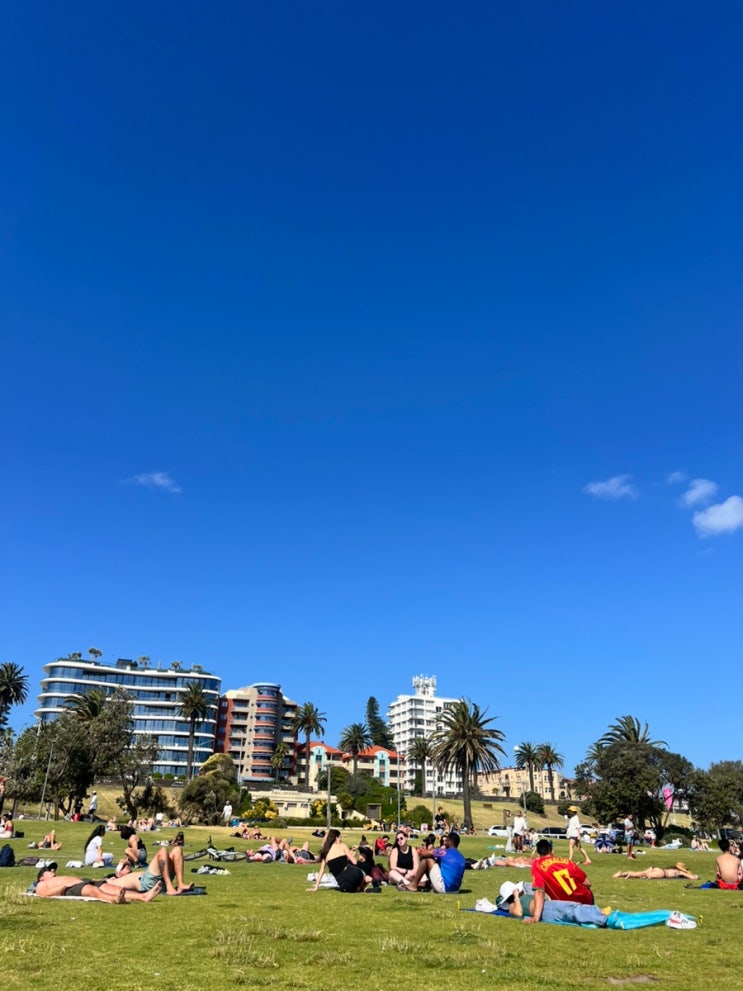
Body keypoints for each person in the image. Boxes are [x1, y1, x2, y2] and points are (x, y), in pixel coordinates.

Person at [496, 879, 696, 929]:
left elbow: (542, 894)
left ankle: (604, 917)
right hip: (550, 910)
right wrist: (516, 897)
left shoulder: (525, 896)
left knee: (575, 911)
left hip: (551, 909)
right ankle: (607, 918)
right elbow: (519, 912)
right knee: (575, 911)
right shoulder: (515, 903)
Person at [34, 863, 161, 903]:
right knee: (92, 890)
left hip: (82, 882)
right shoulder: (41, 884)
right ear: (41, 878)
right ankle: (114, 899)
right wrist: (64, 886)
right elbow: (45, 894)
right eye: (48, 870)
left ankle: (143, 896)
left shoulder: (54, 877)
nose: (52, 871)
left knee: (110, 887)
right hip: (70, 889)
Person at [107, 844, 193, 896]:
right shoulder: (118, 880)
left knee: (177, 850)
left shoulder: (131, 874)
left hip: (156, 877)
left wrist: (126, 862)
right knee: (163, 850)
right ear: (119, 874)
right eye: (123, 867)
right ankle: (169, 887)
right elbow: (105, 882)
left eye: (127, 865)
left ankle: (180, 884)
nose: (126, 866)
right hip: (147, 882)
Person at [531, 838, 594, 904]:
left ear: (538, 853)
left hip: (564, 903)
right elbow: (588, 883)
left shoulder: (537, 865)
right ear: (551, 850)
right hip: (585, 899)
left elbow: (539, 890)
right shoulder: (568, 862)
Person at [613, 862, 699, 881]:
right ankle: (629, 875)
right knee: (643, 874)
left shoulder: (671, 868)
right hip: (661, 873)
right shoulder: (679, 872)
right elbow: (692, 878)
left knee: (642, 872)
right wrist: (693, 875)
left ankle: (623, 874)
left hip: (657, 868)